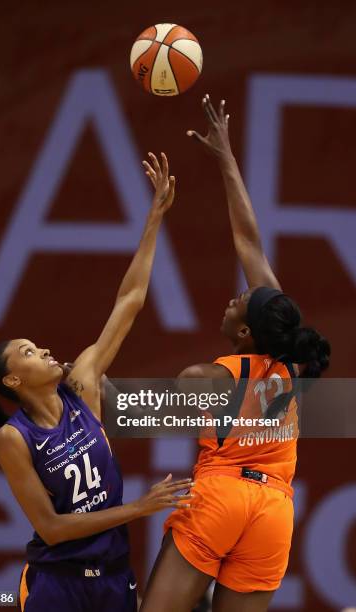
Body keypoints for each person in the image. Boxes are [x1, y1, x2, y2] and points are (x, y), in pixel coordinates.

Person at [0, 152, 193, 612]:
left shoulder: (83, 386)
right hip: (57, 582)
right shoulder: (13, 438)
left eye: (38, 345)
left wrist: (153, 219)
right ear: (12, 379)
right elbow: (50, 527)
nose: (45, 350)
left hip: (113, 577)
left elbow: (129, 300)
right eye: (28, 352)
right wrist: (138, 509)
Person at [140, 96, 330, 612]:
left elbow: (153, 401)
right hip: (274, 511)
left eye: (239, 302)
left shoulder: (208, 375)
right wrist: (226, 157)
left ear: (245, 333)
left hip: (220, 499)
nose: (233, 298)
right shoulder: (289, 362)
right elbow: (250, 243)